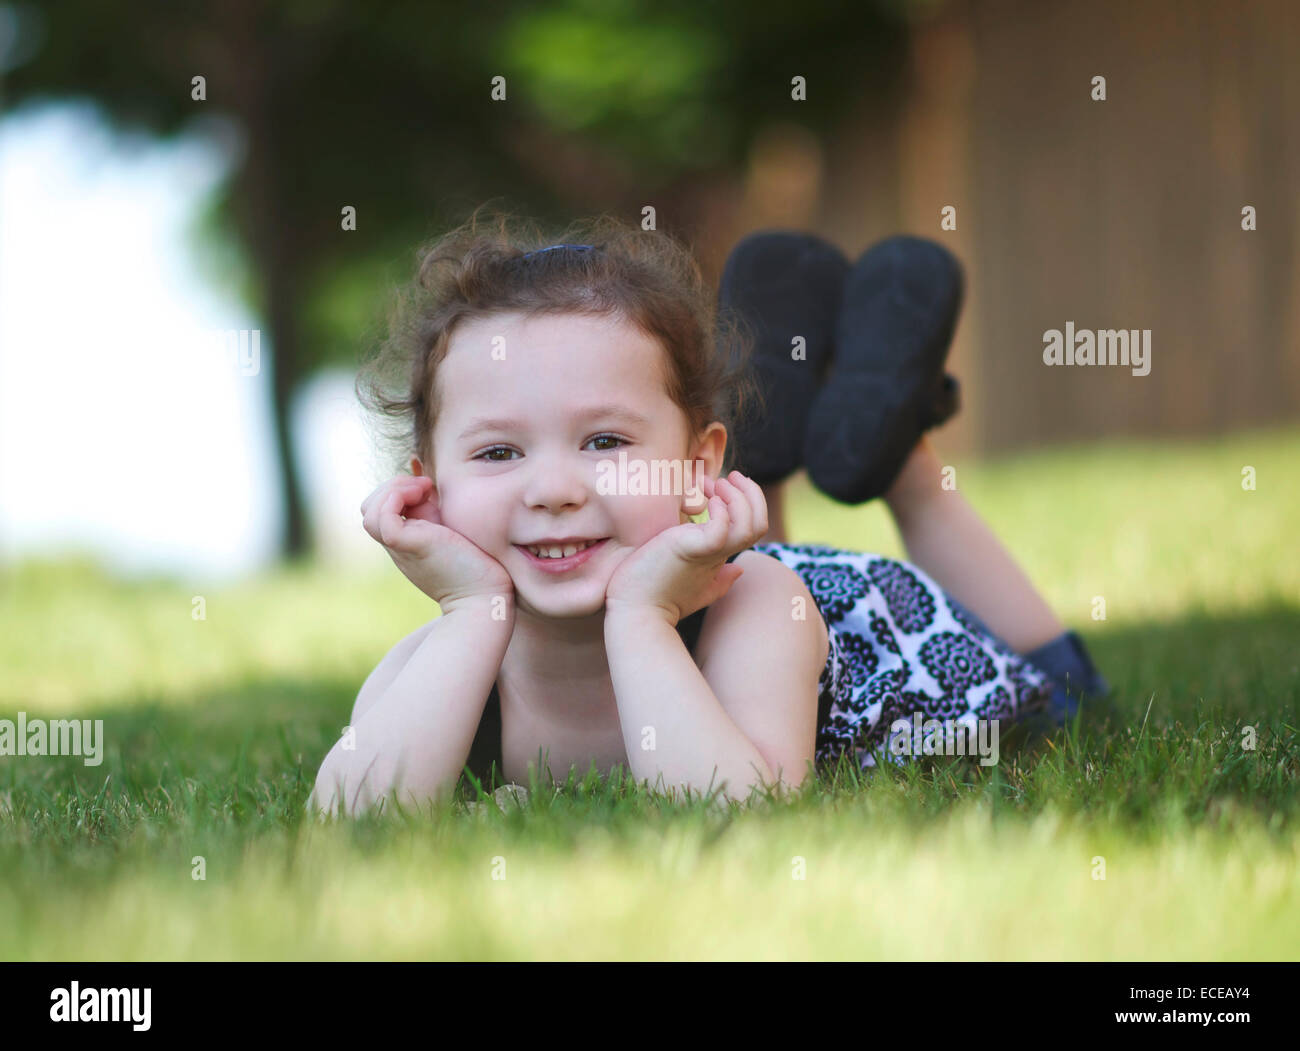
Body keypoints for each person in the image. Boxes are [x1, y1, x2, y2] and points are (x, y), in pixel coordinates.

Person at [307, 213, 1109, 818]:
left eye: (604, 440)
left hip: (870, 631)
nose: (551, 489)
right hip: (712, 568)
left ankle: (899, 457)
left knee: (1072, 696)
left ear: (698, 464)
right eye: (497, 454)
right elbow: (348, 824)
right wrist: (472, 611)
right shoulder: (436, 659)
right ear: (428, 487)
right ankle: (787, 425)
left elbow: (737, 816)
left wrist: (643, 614)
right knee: (728, 559)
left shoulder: (759, 607)